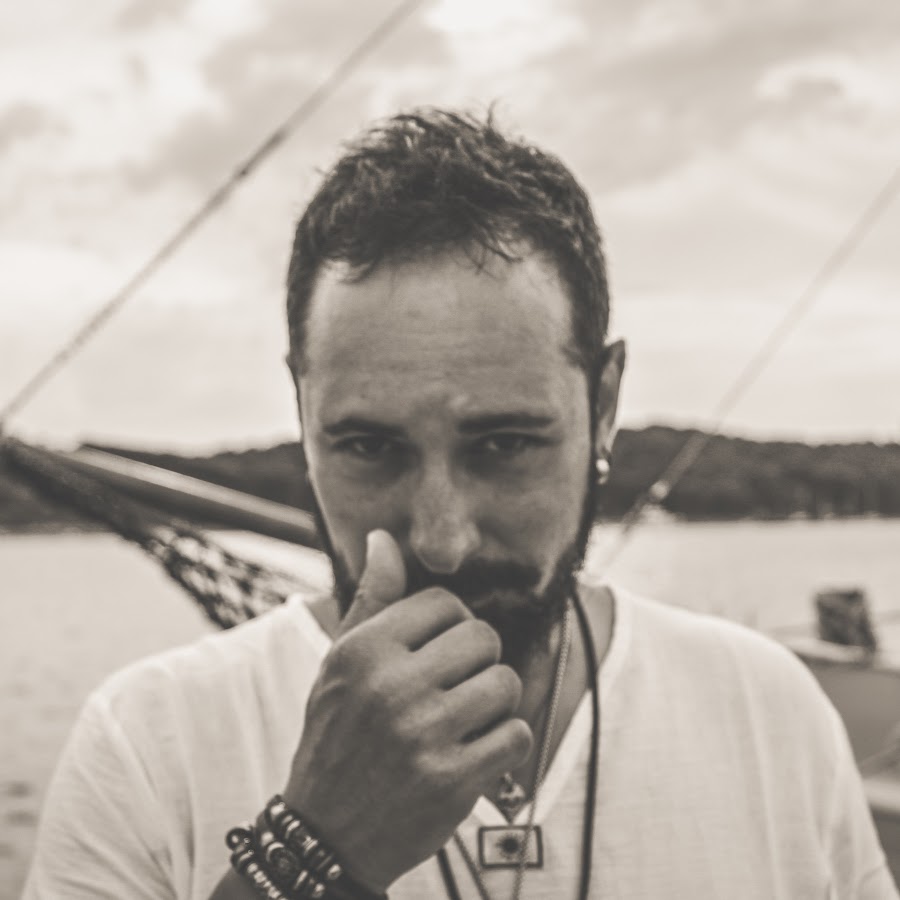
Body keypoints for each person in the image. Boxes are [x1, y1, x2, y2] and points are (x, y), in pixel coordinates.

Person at [23, 108, 897, 900]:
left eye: (504, 444)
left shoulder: (767, 713)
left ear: (604, 404)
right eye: (370, 447)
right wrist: (313, 851)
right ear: (302, 407)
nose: (442, 538)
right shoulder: (147, 747)